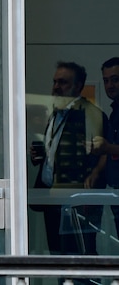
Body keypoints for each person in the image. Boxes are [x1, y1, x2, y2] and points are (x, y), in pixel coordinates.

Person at [30, 61, 106, 255]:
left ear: (78, 86)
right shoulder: (56, 113)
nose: (56, 87)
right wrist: (44, 157)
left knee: (80, 259)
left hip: (75, 204)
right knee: (59, 258)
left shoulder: (91, 114)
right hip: (53, 199)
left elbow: (99, 156)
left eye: (63, 82)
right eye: (55, 81)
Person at [91, 57, 119, 238]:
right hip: (114, 190)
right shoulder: (114, 111)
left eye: (115, 79)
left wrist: (107, 148)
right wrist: (95, 173)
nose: (110, 85)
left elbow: (111, 148)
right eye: (106, 80)